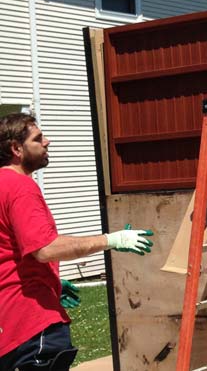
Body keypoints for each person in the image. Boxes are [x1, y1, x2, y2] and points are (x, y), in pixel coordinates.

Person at [0, 113, 154, 371]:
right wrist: (111, 239)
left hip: (10, 327)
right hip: (32, 324)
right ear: (16, 149)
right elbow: (45, 248)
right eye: (38, 138)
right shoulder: (20, 187)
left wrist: (51, 281)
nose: (47, 142)